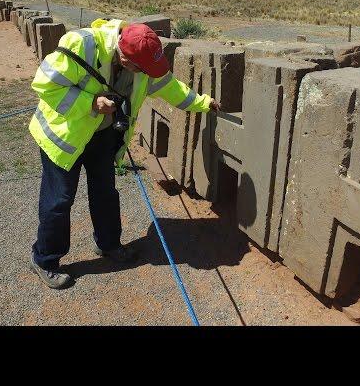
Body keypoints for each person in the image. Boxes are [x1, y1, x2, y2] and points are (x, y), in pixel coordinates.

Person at [28, 18, 220, 289]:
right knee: (59, 200)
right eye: (142, 70)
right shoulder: (81, 44)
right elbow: (44, 84)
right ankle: (45, 259)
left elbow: (170, 87)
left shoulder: (143, 65)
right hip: (64, 136)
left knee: (105, 192)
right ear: (125, 57)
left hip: (102, 135)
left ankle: (108, 244)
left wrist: (203, 103)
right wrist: (91, 102)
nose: (146, 75)